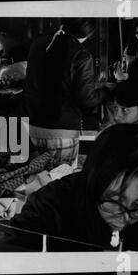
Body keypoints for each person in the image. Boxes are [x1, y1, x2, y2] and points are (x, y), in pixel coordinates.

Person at [11, 124, 138, 251]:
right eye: (114, 202)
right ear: (92, 184)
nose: (124, 219)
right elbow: (19, 244)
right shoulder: (51, 205)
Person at [22, 18, 110, 168]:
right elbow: (86, 100)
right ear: (88, 33)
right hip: (62, 133)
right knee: (59, 184)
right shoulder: (82, 55)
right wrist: (105, 90)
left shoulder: (37, 45)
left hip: (33, 129)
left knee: (35, 183)